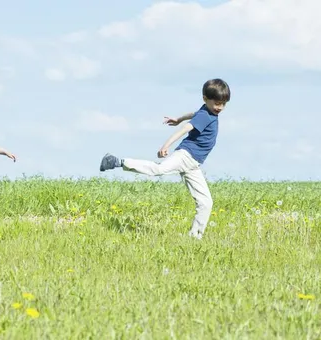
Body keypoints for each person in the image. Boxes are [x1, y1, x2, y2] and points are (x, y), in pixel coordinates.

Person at [99, 78, 231, 239]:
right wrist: (166, 145)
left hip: (193, 164)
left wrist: (178, 118)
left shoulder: (207, 111)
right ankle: (118, 161)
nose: (220, 108)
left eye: (223, 104)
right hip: (185, 156)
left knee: (206, 203)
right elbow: (185, 129)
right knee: (159, 169)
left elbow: (194, 114)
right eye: (217, 103)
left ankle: (194, 238)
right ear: (205, 99)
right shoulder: (206, 115)